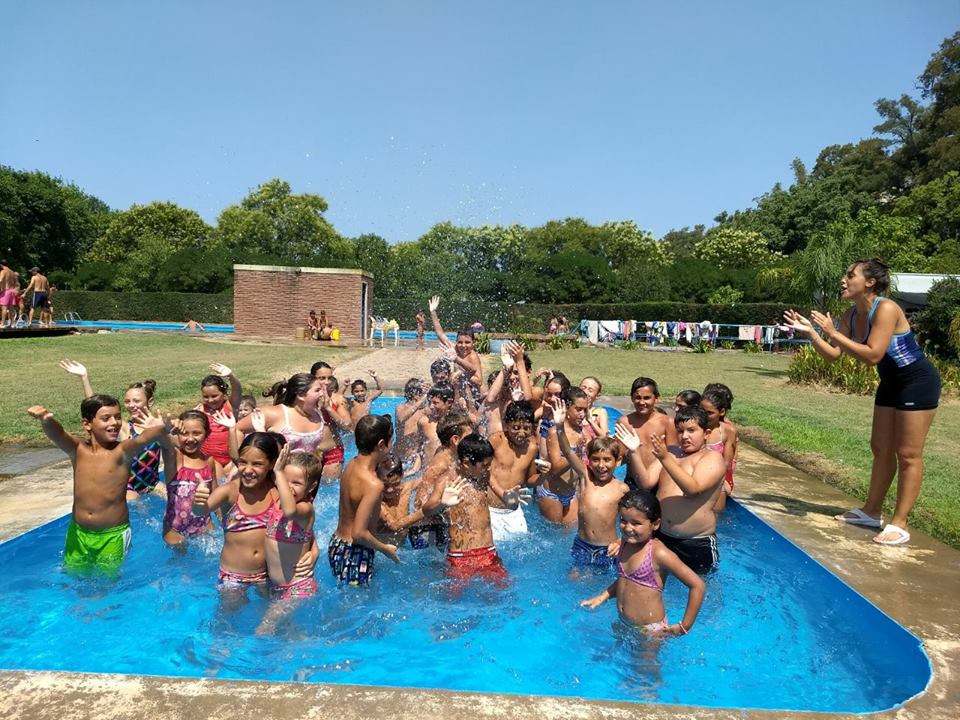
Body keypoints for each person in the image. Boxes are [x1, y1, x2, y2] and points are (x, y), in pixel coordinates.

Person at [784, 258, 941, 546]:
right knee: (880, 448)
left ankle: (900, 522)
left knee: (908, 454)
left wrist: (832, 332)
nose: (843, 280)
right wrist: (813, 334)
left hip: (917, 382)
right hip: (891, 383)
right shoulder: (851, 314)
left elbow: (873, 355)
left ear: (870, 282)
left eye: (850, 275)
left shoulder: (886, 308)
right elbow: (834, 355)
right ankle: (871, 511)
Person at [26, 396, 172, 573]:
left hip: (112, 535)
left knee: (107, 583)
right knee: (74, 576)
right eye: (106, 418)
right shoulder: (78, 449)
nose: (114, 422)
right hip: (78, 533)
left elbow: (142, 439)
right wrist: (46, 418)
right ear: (87, 424)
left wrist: (161, 428)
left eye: (118, 417)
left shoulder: (122, 451)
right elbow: (58, 434)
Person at [581, 490, 705, 637]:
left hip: (649, 630)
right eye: (623, 520)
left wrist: (684, 626)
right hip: (624, 621)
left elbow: (697, 585)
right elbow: (625, 581)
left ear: (655, 524)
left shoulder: (658, 553)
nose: (628, 528)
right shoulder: (625, 543)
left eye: (636, 523)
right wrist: (604, 596)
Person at [622, 406, 726, 573]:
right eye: (680, 431)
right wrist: (634, 452)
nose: (684, 436)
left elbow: (692, 489)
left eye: (691, 430)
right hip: (661, 536)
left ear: (706, 433)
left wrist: (664, 458)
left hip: (694, 542)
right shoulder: (671, 453)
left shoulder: (712, 458)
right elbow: (645, 483)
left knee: (699, 583)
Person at [59, 359, 167, 501]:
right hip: (128, 487)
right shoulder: (124, 428)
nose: (131, 405)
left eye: (136, 401)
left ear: (150, 402)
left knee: (176, 499)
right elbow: (96, 407)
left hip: (152, 483)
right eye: (127, 401)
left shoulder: (158, 426)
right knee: (135, 502)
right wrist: (84, 377)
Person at [194, 433, 285, 593]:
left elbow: (299, 521)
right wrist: (198, 501)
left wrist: (311, 554)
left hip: (268, 575)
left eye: (257, 464)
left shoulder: (276, 491)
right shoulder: (230, 491)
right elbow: (200, 510)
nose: (248, 470)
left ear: (272, 464)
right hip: (233, 576)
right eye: (243, 462)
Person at [552, 398, 629, 571]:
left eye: (607, 460)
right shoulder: (585, 476)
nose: (601, 465)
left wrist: (620, 541)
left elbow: (632, 521)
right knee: (573, 579)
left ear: (617, 461)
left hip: (607, 548)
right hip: (581, 545)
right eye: (595, 460)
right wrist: (559, 426)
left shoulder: (622, 489)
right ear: (589, 460)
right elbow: (567, 451)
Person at [442, 434, 529, 585]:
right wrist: (441, 504)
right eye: (484, 465)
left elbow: (508, 502)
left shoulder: (485, 476)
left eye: (489, 464)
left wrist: (512, 501)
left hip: (487, 552)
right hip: (460, 555)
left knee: (505, 590)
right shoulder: (448, 481)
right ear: (467, 463)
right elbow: (427, 510)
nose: (488, 468)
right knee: (452, 595)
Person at [328, 415, 397, 585]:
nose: (392, 447)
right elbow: (358, 534)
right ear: (381, 444)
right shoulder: (374, 485)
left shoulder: (351, 464)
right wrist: (385, 549)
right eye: (391, 442)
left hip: (337, 544)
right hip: (355, 552)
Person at [409, 413, 473, 549]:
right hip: (428, 529)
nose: (472, 441)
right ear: (455, 440)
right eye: (468, 437)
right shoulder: (440, 465)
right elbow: (419, 502)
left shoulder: (450, 455)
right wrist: (444, 508)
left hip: (437, 525)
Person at [487, 400, 548, 541]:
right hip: (491, 510)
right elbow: (483, 471)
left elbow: (530, 481)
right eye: (516, 427)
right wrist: (502, 494)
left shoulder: (532, 448)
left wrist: (544, 475)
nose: (521, 433)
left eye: (526, 428)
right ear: (506, 425)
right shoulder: (496, 440)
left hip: (513, 512)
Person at [163, 410, 222, 547]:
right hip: (174, 529)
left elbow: (215, 494)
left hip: (204, 524)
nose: (190, 439)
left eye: (196, 433)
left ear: (207, 434)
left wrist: (222, 520)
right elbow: (164, 444)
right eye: (184, 433)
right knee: (180, 553)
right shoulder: (175, 458)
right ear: (177, 434)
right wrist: (166, 430)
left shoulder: (209, 461)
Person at [540, 387, 594, 526]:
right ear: (566, 408)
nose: (582, 414)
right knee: (553, 534)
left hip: (571, 495)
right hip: (552, 495)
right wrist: (577, 453)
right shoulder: (554, 433)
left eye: (585, 410)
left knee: (570, 533)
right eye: (578, 409)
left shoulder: (585, 434)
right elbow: (556, 468)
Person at [615, 377, 678, 491]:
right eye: (638, 398)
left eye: (647, 398)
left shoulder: (667, 423)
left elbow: (674, 456)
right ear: (632, 398)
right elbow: (619, 457)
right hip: (633, 481)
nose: (642, 402)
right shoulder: (624, 422)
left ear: (656, 398)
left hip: (660, 482)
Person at [428, 295, 483, 399]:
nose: (463, 346)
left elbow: (479, 381)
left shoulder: (473, 356)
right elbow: (440, 334)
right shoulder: (455, 350)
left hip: (473, 396)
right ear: (456, 342)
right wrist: (433, 312)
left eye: (467, 342)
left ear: (473, 343)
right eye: (460, 342)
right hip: (459, 394)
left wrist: (461, 374)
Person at [310, 361, 352, 480]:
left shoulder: (338, 399)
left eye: (329, 378)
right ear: (312, 378)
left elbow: (347, 426)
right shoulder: (304, 399)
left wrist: (329, 408)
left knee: (328, 488)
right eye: (322, 378)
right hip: (309, 451)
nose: (327, 382)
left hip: (333, 453)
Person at [195, 364, 242, 469]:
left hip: (231, 462)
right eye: (206, 397)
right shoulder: (200, 409)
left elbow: (237, 390)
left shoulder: (230, 406)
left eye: (214, 396)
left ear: (224, 393)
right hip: (208, 461)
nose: (210, 400)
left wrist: (231, 376)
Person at [700, 386, 739, 511]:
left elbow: (726, 463)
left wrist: (711, 482)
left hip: (719, 477)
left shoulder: (728, 431)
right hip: (696, 472)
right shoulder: (696, 427)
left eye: (709, 413)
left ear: (721, 412)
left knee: (719, 493)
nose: (705, 416)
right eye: (702, 411)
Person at [417, 383, 456, 462]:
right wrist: (415, 468)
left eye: (435, 403)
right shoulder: (424, 422)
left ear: (449, 402)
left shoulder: (456, 425)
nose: (431, 406)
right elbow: (420, 451)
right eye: (429, 402)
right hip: (427, 468)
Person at [0, 260, 19, 328]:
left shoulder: (3, 271)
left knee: (4, 308)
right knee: (11, 308)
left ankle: (2, 324)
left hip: (6, 291)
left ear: (1, 265)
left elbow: (0, 280)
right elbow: (16, 283)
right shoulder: (12, 272)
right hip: (12, 291)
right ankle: (12, 324)